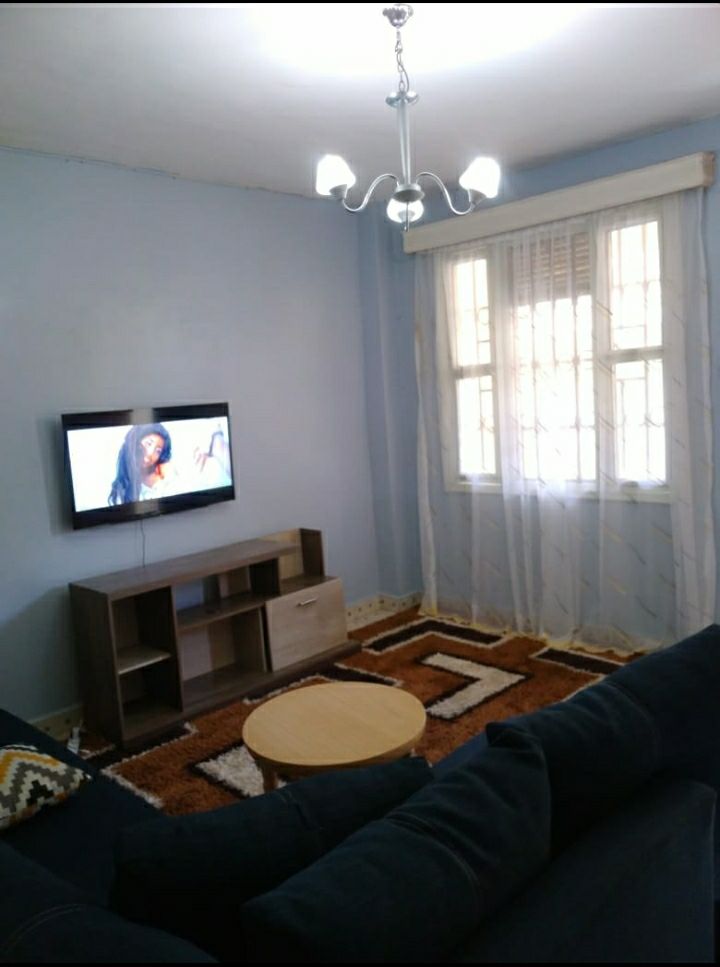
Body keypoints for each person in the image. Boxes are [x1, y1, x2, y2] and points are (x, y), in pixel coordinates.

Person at [108, 423, 177, 505]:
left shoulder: (167, 478)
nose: (150, 453)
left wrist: (169, 480)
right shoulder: (121, 490)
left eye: (158, 451)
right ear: (135, 442)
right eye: (148, 444)